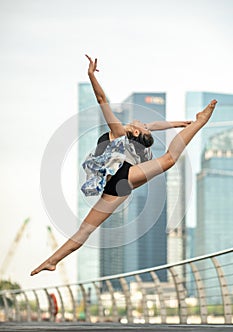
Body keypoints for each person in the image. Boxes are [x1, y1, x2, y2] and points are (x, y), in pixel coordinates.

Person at [30, 55, 217, 276]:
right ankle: (52, 261)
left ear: (136, 132)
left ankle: (53, 261)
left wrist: (91, 75)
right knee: (86, 229)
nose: (140, 122)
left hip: (121, 178)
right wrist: (178, 123)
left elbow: (101, 99)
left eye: (140, 124)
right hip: (121, 182)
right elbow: (153, 126)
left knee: (86, 229)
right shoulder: (128, 136)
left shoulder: (120, 132)